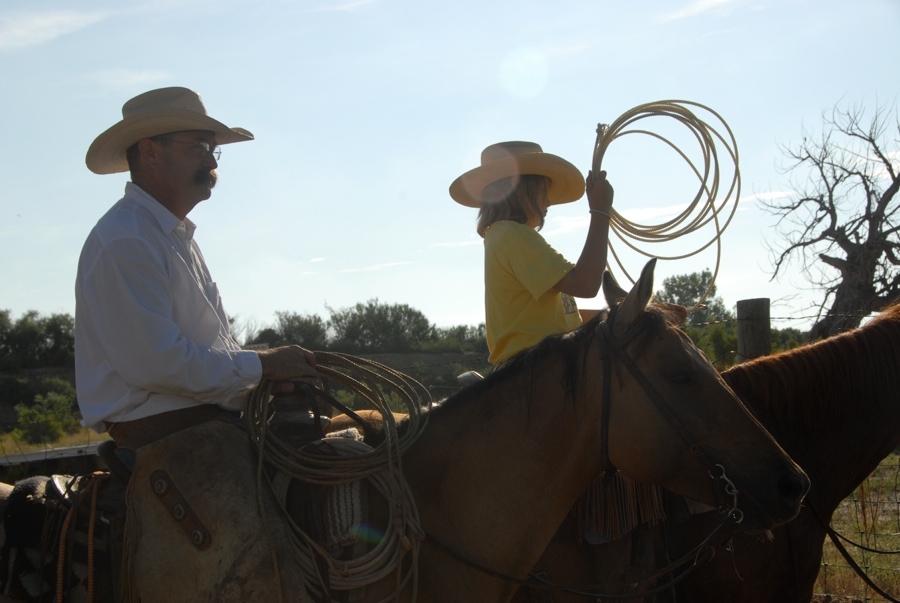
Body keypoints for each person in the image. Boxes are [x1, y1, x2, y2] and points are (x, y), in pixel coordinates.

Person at [76, 86, 320, 452]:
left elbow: (209, 350)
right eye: (199, 148)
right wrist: (264, 367)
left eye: (213, 149)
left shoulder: (170, 236)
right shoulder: (125, 239)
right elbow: (158, 364)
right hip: (164, 431)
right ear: (150, 151)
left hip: (204, 420)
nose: (213, 163)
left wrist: (261, 379)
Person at [450, 141, 614, 365]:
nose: (549, 201)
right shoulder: (513, 237)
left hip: (534, 366)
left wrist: (624, 315)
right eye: (544, 190)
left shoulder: (505, 236)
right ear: (518, 189)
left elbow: (565, 318)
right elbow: (586, 284)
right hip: (536, 368)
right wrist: (600, 211)